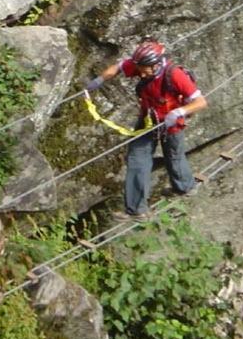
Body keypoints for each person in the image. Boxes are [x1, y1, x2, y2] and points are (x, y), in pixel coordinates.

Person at [86, 39, 208, 220]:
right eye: (139, 69)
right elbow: (118, 67)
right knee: (137, 158)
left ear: (156, 65)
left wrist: (179, 112)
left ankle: (185, 186)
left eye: (144, 70)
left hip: (171, 123)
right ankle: (137, 209)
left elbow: (201, 102)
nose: (141, 75)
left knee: (174, 156)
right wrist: (99, 80)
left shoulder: (174, 75)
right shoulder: (142, 65)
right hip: (148, 119)